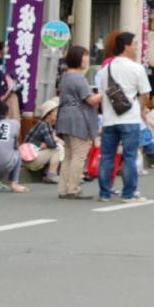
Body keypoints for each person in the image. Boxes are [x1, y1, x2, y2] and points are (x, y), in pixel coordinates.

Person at [98, 31, 151, 203]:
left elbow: (102, 94)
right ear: (127, 46)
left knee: (107, 156)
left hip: (109, 119)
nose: (137, 47)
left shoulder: (106, 69)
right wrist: (140, 108)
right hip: (130, 118)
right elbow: (145, 94)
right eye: (135, 44)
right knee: (129, 156)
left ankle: (104, 193)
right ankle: (128, 194)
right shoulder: (137, 68)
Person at [55, 45, 101, 199]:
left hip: (65, 118)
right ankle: (73, 189)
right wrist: (105, 92)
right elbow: (91, 100)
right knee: (79, 155)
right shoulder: (79, 78)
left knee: (68, 155)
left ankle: (64, 188)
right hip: (78, 119)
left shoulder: (66, 76)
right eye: (85, 56)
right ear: (78, 58)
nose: (87, 59)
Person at [22, 99, 63, 184]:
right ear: (48, 114)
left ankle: (47, 173)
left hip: (29, 158)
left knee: (58, 146)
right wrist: (55, 140)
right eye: (55, 111)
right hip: (30, 159)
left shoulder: (45, 125)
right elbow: (52, 145)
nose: (57, 114)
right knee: (57, 149)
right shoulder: (44, 125)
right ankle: (51, 175)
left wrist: (48, 143)